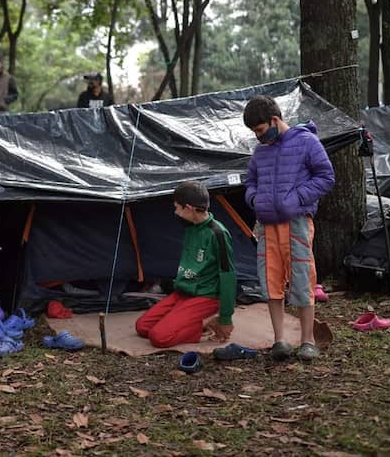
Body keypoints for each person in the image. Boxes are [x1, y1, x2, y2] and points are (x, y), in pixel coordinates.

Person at [239, 95, 335, 362]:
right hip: (267, 225)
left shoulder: (307, 142)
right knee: (270, 282)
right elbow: (250, 183)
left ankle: (308, 341)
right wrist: (255, 199)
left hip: (297, 223)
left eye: (259, 130)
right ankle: (279, 340)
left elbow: (326, 176)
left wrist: (298, 198)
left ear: (274, 120)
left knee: (303, 278)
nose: (258, 137)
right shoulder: (260, 152)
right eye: (254, 133)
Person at [135, 181, 237, 348]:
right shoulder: (191, 227)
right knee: (143, 326)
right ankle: (193, 322)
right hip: (184, 291)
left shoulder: (217, 234)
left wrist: (226, 317)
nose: (176, 212)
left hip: (206, 295)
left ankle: (203, 325)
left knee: (159, 337)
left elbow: (228, 276)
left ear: (188, 208)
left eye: (177, 207)